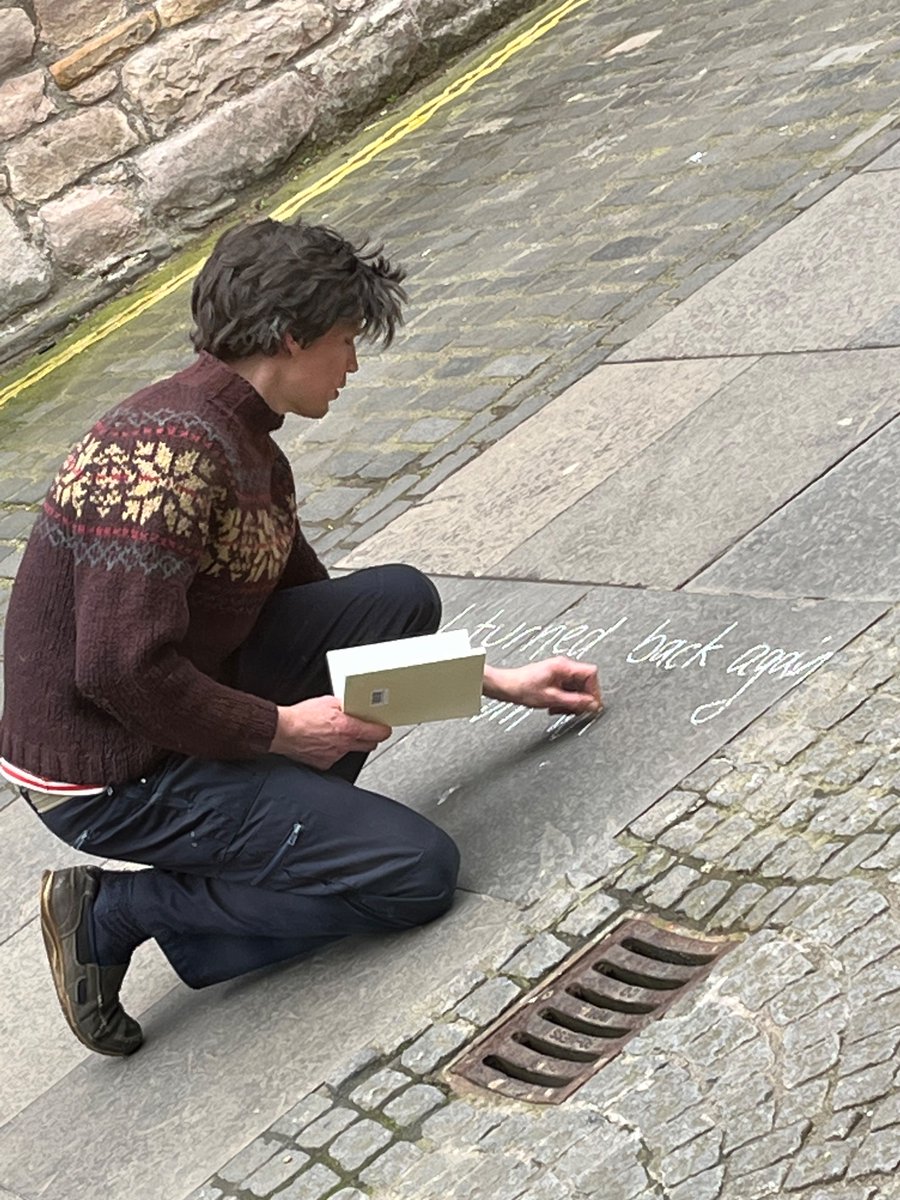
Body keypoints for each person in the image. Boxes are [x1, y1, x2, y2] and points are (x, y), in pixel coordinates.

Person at [0, 219, 602, 1057]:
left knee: (393, 600)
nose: (353, 363)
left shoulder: (240, 440)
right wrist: (284, 732)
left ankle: (286, 826)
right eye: (346, 340)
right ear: (290, 336)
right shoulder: (168, 454)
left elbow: (309, 605)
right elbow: (115, 668)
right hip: (111, 775)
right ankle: (120, 909)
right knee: (414, 874)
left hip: (166, 707)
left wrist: (493, 684)